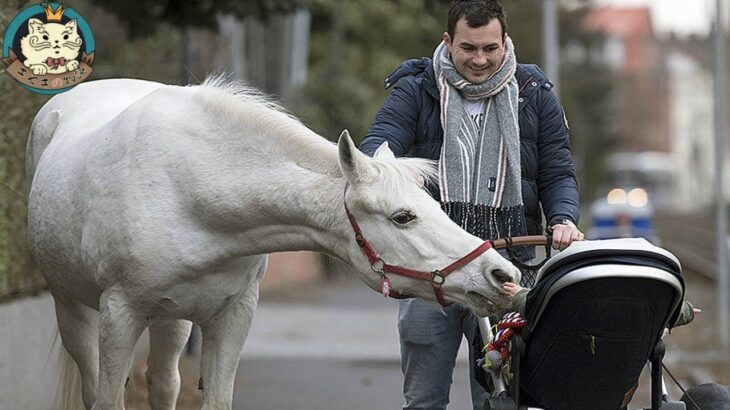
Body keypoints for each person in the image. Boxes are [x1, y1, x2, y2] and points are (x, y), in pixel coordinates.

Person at [359, 1, 584, 409]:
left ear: (504, 43)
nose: (480, 60)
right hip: (433, 271)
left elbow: (557, 172)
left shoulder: (534, 94)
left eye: (489, 48)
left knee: (501, 397)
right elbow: (380, 144)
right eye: (468, 48)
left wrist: (564, 217)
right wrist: (378, 166)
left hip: (507, 266)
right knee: (424, 399)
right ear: (448, 41)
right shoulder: (418, 87)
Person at [503, 282, 701, 327]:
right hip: (619, 389)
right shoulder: (633, 312)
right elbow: (659, 312)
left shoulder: (574, 306)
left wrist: (520, 296)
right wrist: (686, 311)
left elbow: (544, 308)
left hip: (564, 385)